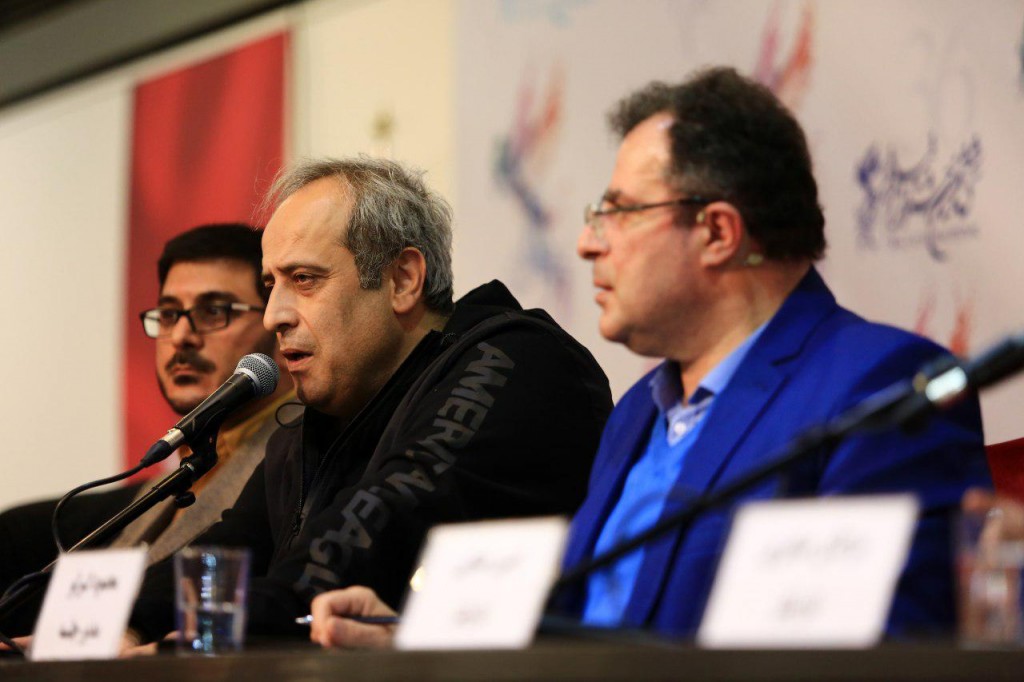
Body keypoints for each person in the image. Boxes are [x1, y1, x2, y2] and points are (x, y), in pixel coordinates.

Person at [306, 67, 990, 647]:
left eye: (619, 213)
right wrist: (411, 640)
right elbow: (582, 630)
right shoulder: (638, 413)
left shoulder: (881, 388)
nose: (588, 244)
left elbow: (892, 650)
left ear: (717, 232)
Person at [126, 156, 612, 642]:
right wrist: (126, 625)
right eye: (271, 285)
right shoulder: (311, 426)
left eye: (304, 279)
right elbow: (230, 550)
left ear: (403, 279)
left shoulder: (513, 361)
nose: (274, 316)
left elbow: (370, 535)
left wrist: (193, 641)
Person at [0, 224, 294, 636]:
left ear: (277, 326)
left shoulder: (306, 452)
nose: (181, 337)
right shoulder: (185, 465)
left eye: (214, 312)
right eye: (169, 314)